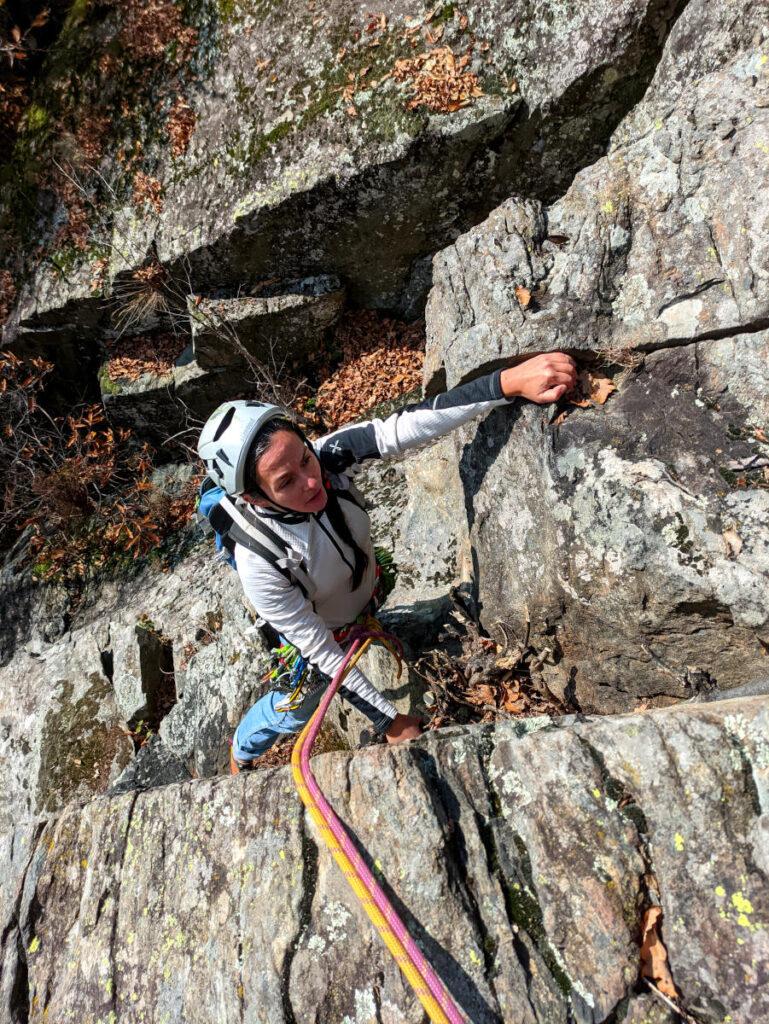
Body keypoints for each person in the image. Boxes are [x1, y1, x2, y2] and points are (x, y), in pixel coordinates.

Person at [197, 352, 577, 772]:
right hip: (321, 627)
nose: (311, 480)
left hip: (358, 590)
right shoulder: (261, 561)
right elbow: (321, 650)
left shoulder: (327, 458)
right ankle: (243, 748)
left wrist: (504, 384)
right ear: (252, 498)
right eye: (285, 482)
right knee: (296, 710)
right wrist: (389, 721)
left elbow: (402, 427)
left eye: (304, 457)